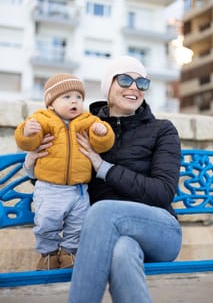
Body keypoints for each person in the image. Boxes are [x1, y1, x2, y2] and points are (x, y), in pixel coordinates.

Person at [25, 56, 182, 302]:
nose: (134, 87)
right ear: (108, 85)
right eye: (125, 79)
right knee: (122, 252)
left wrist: (102, 167)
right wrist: (32, 168)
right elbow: (64, 184)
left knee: (101, 211)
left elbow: (162, 192)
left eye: (142, 82)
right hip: (112, 236)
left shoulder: (163, 130)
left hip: (160, 230)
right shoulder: (83, 127)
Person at [15, 73, 115, 271]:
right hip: (49, 188)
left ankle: (69, 253)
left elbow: (102, 145)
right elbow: (28, 143)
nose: (74, 101)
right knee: (46, 222)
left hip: (79, 190)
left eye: (78, 97)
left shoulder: (87, 120)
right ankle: (48, 254)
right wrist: (27, 132)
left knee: (78, 225)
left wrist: (102, 133)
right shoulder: (42, 119)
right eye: (67, 97)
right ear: (51, 103)